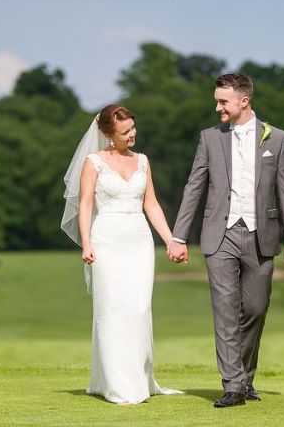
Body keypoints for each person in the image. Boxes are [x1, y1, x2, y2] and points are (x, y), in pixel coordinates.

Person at [167, 73, 284, 408]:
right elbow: (194, 187)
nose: (217, 108)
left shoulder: (276, 138)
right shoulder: (209, 138)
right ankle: (233, 385)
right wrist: (179, 235)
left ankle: (244, 377)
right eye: (217, 101)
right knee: (225, 310)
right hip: (219, 235)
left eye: (223, 101)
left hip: (262, 236)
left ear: (244, 101)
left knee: (255, 309)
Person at [61, 104, 183, 405]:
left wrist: (170, 240)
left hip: (139, 242)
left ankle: (140, 380)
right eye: (125, 131)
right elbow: (86, 205)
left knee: (139, 310)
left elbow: (151, 204)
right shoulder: (94, 162)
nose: (132, 134)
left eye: (133, 128)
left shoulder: (142, 161)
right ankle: (117, 386)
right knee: (112, 311)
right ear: (107, 134)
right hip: (106, 243)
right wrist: (86, 243)